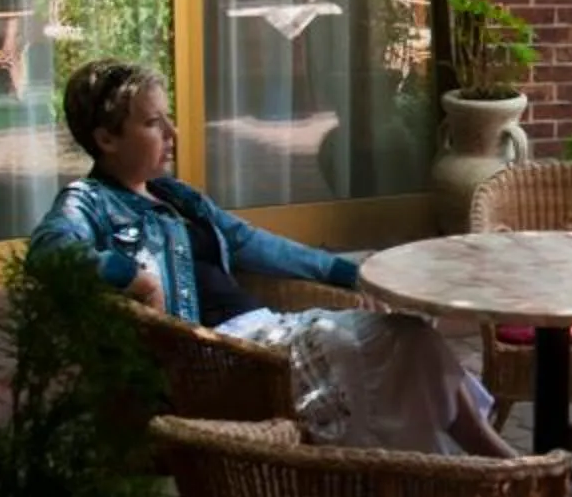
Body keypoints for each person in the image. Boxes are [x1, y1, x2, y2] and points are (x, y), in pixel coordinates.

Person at [33, 59, 514, 458]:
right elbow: (47, 251)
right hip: (217, 358)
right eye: (153, 122)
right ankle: (494, 469)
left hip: (265, 329)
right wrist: (133, 277)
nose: (172, 131)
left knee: (413, 336)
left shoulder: (176, 196)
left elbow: (257, 244)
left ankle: (491, 466)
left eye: (168, 117)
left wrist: (351, 274)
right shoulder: (89, 201)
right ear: (107, 139)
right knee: (401, 346)